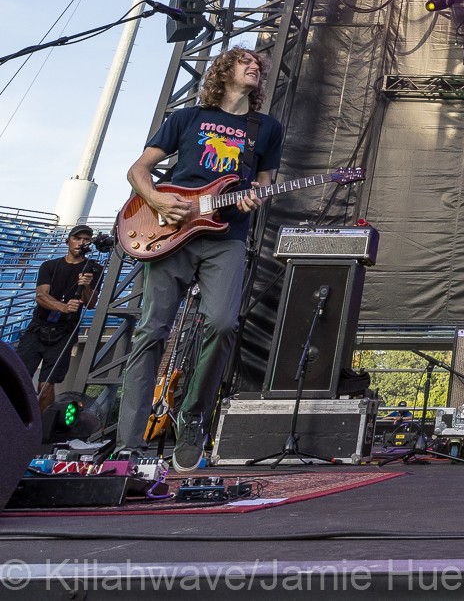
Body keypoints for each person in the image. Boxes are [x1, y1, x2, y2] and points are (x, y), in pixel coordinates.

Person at [113, 47, 283, 471]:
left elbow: (263, 185)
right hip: (171, 231)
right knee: (151, 332)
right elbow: (138, 170)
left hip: (226, 236)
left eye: (259, 67)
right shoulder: (186, 118)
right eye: (246, 62)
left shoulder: (266, 129)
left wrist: (253, 200)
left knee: (223, 323)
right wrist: (156, 200)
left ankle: (192, 419)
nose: (254, 68)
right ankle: (128, 443)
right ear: (225, 71)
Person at [12, 225, 103, 411]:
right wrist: (63, 307)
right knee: (18, 379)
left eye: (86, 239)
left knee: (46, 385)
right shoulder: (50, 266)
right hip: (38, 328)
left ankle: (41, 431)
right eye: (77, 238)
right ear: (68, 240)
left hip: (64, 333)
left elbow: (91, 303)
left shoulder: (93, 268)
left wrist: (85, 286)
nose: (81, 243)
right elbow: (41, 296)